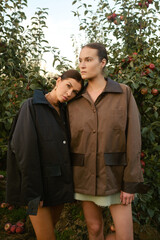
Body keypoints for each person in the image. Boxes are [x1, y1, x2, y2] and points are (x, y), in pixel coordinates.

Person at [67, 43, 148, 240]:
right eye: (80, 60)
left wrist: (130, 182)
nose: (82, 65)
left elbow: (134, 139)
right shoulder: (73, 100)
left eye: (88, 60)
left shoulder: (123, 93)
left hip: (115, 176)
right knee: (94, 229)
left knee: (125, 235)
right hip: (83, 176)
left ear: (102, 62)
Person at [6, 69, 83, 240]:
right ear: (58, 81)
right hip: (36, 188)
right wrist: (34, 193)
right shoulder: (31, 106)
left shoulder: (65, 111)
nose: (69, 93)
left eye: (75, 91)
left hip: (59, 186)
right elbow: (24, 151)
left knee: (47, 234)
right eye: (68, 86)